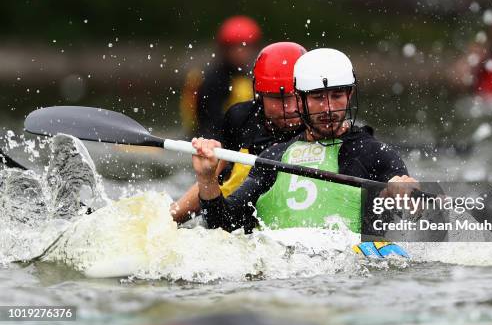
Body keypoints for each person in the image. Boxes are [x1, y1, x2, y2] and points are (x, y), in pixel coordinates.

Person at [191, 48, 418, 238]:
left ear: (350, 96)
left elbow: (421, 221)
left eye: (337, 96)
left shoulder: (374, 154)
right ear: (299, 100)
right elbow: (222, 226)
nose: (328, 108)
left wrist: (403, 197)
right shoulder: (274, 157)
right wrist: (207, 180)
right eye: (318, 98)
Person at [171, 42, 307, 223]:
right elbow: (214, 174)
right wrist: (167, 220)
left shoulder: (319, 128)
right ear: (260, 94)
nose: (290, 108)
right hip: (233, 217)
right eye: (277, 99)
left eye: (296, 96)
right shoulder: (241, 118)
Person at [180, 15, 262, 139]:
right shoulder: (213, 80)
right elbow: (209, 124)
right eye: (236, 47)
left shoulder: (248, 78)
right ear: (224, 49)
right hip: (206, 140)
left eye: (246, 47)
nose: (241, 53)